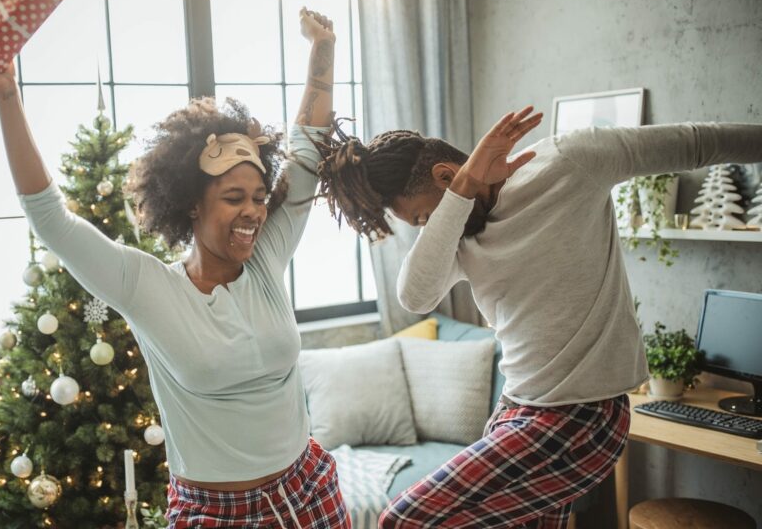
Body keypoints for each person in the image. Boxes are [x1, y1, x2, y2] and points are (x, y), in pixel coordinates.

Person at [0, 7, 349, 529]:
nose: (254, 210)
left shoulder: (266, 260)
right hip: (215, 514)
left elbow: (306, 155)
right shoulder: (146, 286)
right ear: (191, 203)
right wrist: (7, 96)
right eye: (234, 197)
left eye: (258, 196)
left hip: (308, 492)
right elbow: (51, 218)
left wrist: (322, 49)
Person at [312, 108, 762, 528]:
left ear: (445, 175)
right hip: (515, 412)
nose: (433, 226)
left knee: (404, 519)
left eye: (425, 216)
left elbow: (698, 142)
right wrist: (459, 196)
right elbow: (414, 296)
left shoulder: (569, 163)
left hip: (583, 417)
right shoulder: (457, 232)